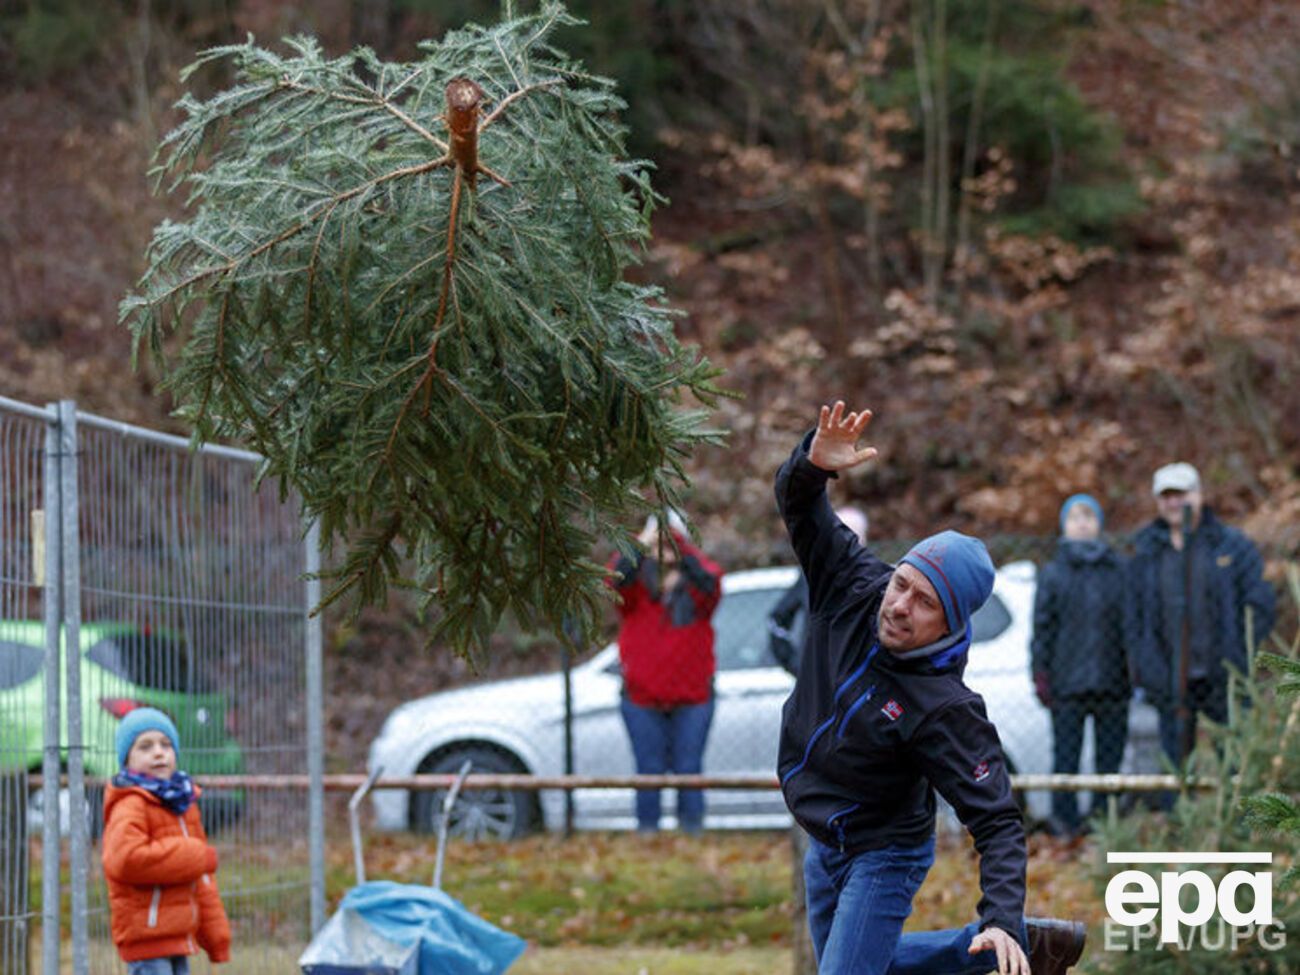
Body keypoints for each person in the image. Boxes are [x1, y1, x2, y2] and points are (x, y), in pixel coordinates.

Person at [776, 401, 1085, 975]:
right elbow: (800, 507)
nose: (898, 606)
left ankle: (998, 937)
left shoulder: (943, 708)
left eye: (924, 603)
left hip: (883, 851)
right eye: (902, 585)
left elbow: (996, 821)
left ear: (951, 622)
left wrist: (1002, 913)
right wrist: (813, 465)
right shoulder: (851, 585)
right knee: (867, 966)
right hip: (824, 837)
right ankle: (997, 950)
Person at [1128, 462, 1275, 770]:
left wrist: (1240, 652)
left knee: (1235, 761)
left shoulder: (1231, 545)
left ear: (1199, 495)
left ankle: (1236, 816)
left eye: (1180, 493)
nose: (1173, 502)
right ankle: (1179, 817)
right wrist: (1147, 665)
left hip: (1224, 676)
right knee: (1175, 765)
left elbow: (1259, 601)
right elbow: (1133, 617)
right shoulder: (1146, 553)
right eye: (1166, 496)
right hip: (1169, 680)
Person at [608, 510, 723, 832]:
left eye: (672, 542)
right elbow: (615, 576)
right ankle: (648, 835)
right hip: (641, 698)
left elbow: (711, 580)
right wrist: (642, 544)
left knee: (689, 769)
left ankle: (692, 832)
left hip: (694, 697)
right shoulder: (635, 589)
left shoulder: (698, 591)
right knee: (648, 770)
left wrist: (679, 542)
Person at [102, 707, 231, 973]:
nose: (158, 752)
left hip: (178, 937)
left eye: (166, 745)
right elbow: (127, 860)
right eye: (145, 747)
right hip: (146, 941)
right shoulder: (131, 804)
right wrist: (195, 856)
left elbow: (201, 882)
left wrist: (216, 936)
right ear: (127, 759)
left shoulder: (182, 803)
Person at [1030, 494, 1130, 837]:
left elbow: (1131, 625)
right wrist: (1040, 673)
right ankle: (1065, 824)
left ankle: (1104, 823)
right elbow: (1042, 627)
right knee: (1066, 759)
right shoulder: (1053, 574)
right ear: (1064, 525)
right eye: (1075, 516)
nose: (1082, 522)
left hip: (1113, 680)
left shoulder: (1118, 570)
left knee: (1109, 759)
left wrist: (1134, 669)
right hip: (1067, 682)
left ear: (1099, 523)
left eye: (1089, 516)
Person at [768, 506, 869, 676]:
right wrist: (796, 664)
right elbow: (777, 620)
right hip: (816, 681)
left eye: (855, 535)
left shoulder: (876, 579)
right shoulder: (810, 576)